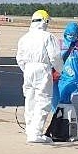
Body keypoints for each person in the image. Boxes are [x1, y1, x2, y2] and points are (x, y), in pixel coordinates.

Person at [16, 9, 63, 143]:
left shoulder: (24, 38)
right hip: (42, 69)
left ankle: (30, 131)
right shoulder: (48, 37)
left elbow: (19, 58)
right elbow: (55, 57)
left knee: (30, 100)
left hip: (28, 69)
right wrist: (60, 70)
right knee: (43, 100)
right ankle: (36, 133)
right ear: (45, 21)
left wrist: (26, 69)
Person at [52, 21, 78, 109]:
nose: (72, 37)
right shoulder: (60, 44)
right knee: (60, 100)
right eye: (70, 34)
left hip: (75, 79)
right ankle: (60, 119)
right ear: (66, 33)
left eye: (75, 35)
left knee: (74, 102)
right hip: (62, 78)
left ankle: (71, 120)